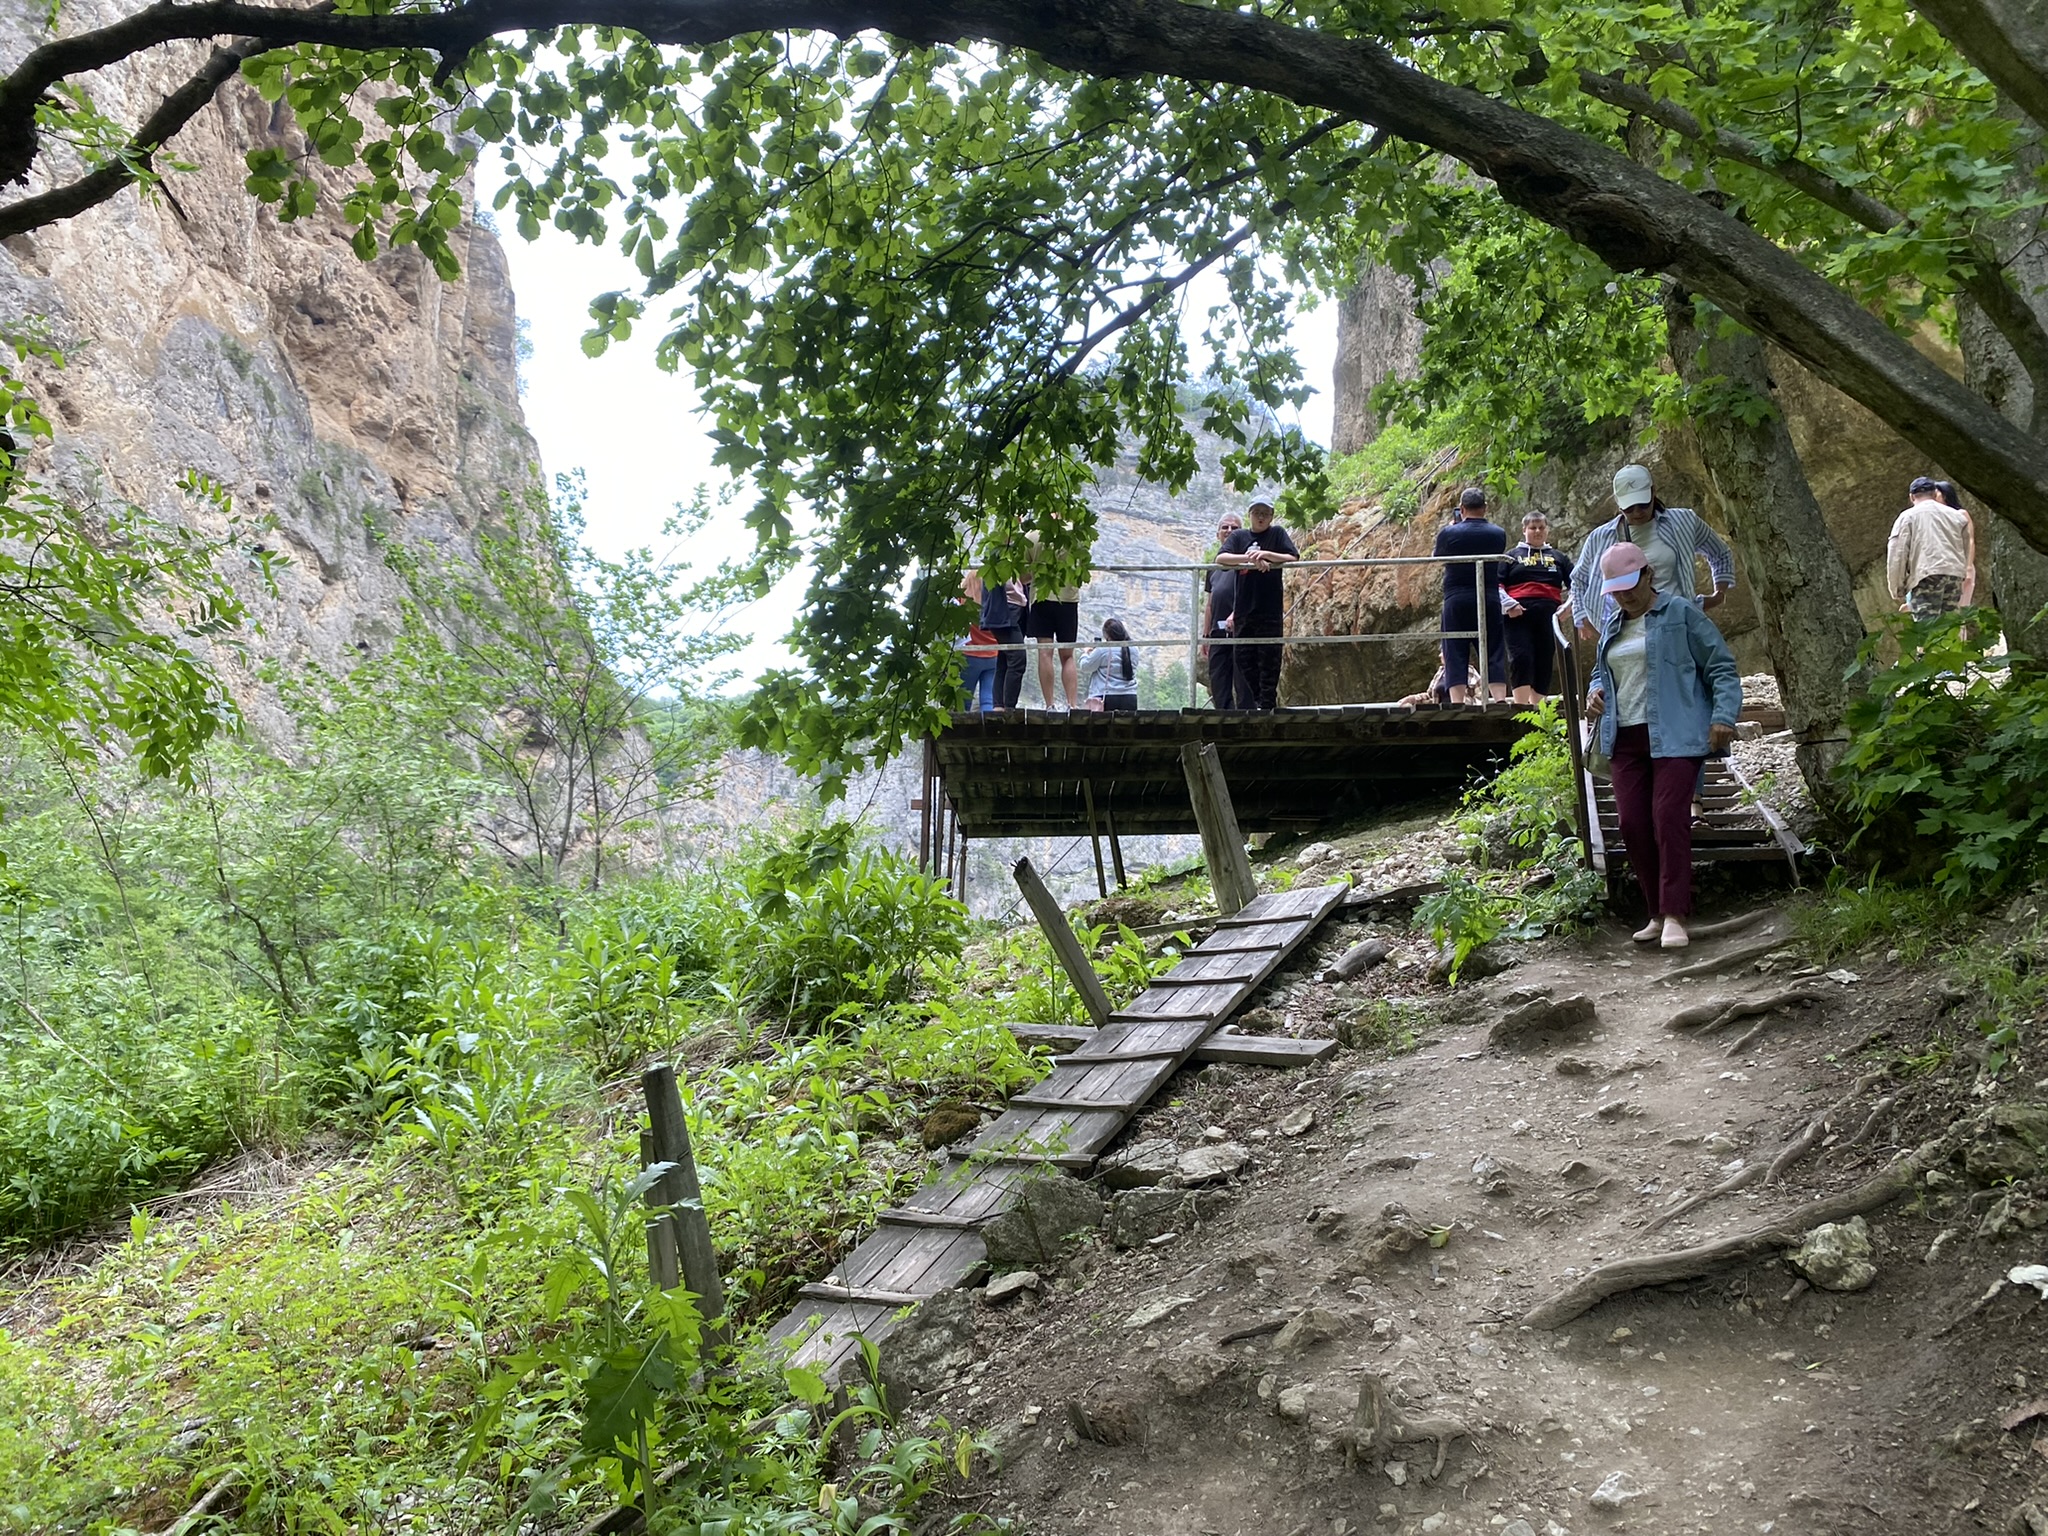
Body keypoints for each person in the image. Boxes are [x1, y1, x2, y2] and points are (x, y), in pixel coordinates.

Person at [1585, 544, 1742, 950]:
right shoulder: (1614, 624)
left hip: (1676, 733)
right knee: (1632, 825)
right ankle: (1655, 912)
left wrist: (1723, 715)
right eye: (1616, 590)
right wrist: (1595, 691)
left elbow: (1721, 666)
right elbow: (1601, 670)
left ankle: (1675, 914)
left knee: (1668, 817)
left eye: (1630, 585)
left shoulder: (1683, 612)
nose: (1625, 595)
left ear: (1648, 574)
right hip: (1624, 737)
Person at [1571, 464, 1735, 638]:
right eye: (1629, 507)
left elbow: (1720, 553)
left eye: (1643, 504)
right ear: (1618, 503)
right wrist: (1584, 618)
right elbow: (1578, 581)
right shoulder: (1599, 538)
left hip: (1679, 625)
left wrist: (1719, 594)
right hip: (1627, 634)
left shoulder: (1683, 521)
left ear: (1653, 492)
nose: (1637, 512)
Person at [1215, 500, 1299, 709]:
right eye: (1257, 513)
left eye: (1265, 513)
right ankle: (1261, 702)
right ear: (1250, 514)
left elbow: (1293, 557)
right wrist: (1250, 558)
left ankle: (1267, 706)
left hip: (1269, 609)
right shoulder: (1239, 536)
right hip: (1244, 609)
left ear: (1271, 516)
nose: (1261, 517)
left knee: (1269, 661)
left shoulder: (1277, 534)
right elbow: (1221, 559)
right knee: (1245, 659)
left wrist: (1266, 555)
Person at [1433, 487, 1509, 704]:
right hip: (1488, 595)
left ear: (1462, 509)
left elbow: (1437, 558)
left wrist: (1452, 529)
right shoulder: (1498, 533)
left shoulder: (1449, 533)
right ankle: (1500, 699)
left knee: (1454, 647)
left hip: (1456, 596)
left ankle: (1457, 702)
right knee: (1493, 647)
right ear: (1485, 508)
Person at [1500, 510, 1574, 705]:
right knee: (1521, 658)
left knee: (1544, 660)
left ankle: (1538, 712)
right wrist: (1509, 604)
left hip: (1549, 617)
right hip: (1517, 616)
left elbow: (1578, 585)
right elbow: (1495, 585)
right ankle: (1521, 708)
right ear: (1524, 530)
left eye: (1541, 527)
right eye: (1533, 528)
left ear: (1547, 530)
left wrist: (1568, 607)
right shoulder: (1510, 556)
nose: (1537, 531)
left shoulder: (1559, 557)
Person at [1887, 474, 1976, 620]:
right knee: (1949, 628)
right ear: (1935, 494)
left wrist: (1896, 588)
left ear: (1912, 497)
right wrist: (1962, 572)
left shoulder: (1907, 517)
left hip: (1926, 576)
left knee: (1926, 630)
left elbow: (1897, 553)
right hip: (1953, 576)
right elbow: (1965, 545)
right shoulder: (1957, 516)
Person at [1200, 511, 1244, 707]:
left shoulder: (1246, 563)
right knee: (1218, 677)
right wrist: (1205, 635)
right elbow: (1210, 603)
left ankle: (1247, 718)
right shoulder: (1213, 568)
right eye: (1225, 527)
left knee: (1243, 679)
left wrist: (1237, 614)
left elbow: (1250, 595)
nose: (1229, 531)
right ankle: (1224, 719)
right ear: (1218, 534)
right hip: (1217, 632)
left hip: (1242, 629)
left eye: (1235, 528)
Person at [979, 559, 1030, 710]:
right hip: (1004, 610)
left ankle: (999, 705)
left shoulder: (1016, 553)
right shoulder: (998, 554)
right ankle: (1009, 708)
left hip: (1016, 610)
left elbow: (1022, 579)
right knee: (1018, 659)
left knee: (1005, 659)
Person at [1028, 578, 1082, 709]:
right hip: (1068, 599)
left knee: (1045, 653)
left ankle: (1050, 705)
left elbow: (1024, 577)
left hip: (1042, 596)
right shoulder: (1075, 555)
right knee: (1068, 656)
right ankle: (1072, 705)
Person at [1078, 617, 1140, 711]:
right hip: (1130, 696)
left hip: (1106, 697)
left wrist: (1086, 653)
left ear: (1107, 636)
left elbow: (1085, 666)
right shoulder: (1134, 649)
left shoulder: (1103, 649)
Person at [958, 573, 999, 711]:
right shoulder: (994, 602)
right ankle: (987, 730)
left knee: (963, 701)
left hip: (969, 656)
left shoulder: (961, 601)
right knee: (988, 700)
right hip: (993, 656)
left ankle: (962, 730)